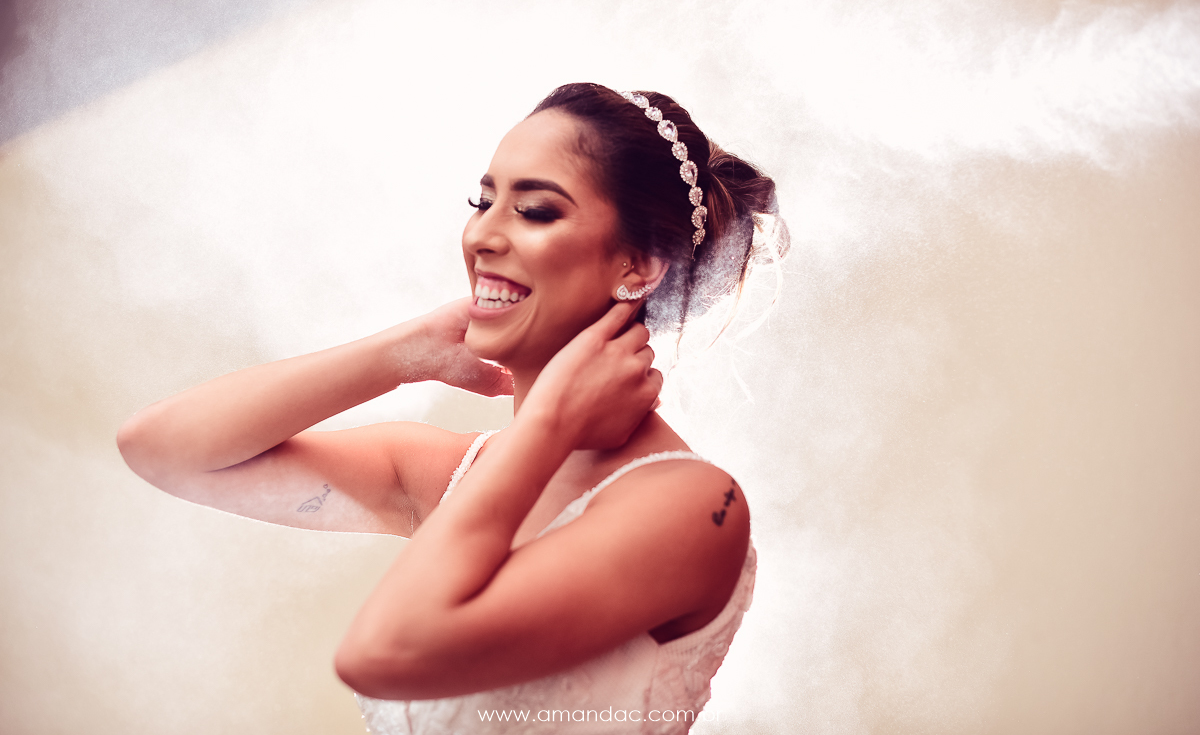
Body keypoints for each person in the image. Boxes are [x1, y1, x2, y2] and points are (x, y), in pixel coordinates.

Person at [116, 82, 787, 734]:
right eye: (482, 201)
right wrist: (401, 353)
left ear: (637, 266)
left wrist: (550, 424)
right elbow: (160, 449)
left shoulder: (692, 505)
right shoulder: (447, 474)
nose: (482, 236)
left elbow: (381, 653)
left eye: (536, 210)